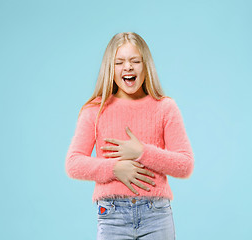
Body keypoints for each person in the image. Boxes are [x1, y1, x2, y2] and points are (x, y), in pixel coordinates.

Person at [65, 32, 194, 240]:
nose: (128, 67)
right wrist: (114, 168)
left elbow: (185, 164)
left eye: (135, 61)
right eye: (119, 62)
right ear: (110, 68)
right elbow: (73, 163)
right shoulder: (95, 110)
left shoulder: (165, 108)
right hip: (112, 215)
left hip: (157, 214)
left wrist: (142, 152)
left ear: (146, 65)